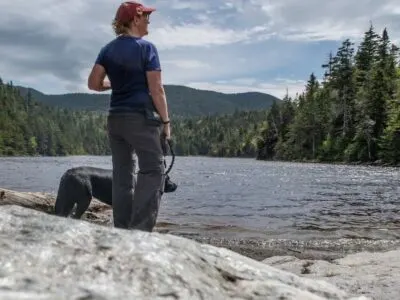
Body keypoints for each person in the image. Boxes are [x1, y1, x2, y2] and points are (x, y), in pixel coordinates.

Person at [87, 1, 170, 232]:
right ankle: (140, 232)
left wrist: (112, 84)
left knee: (123, 175)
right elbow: (157, 89)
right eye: (146, 17)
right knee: (153, 170)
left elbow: (93, 84)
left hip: (115, 120)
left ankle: (122, 229)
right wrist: (166, 122)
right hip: (140, 119)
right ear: (135, 19)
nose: (149, 21)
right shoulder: (147, 48)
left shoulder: (107, 49)